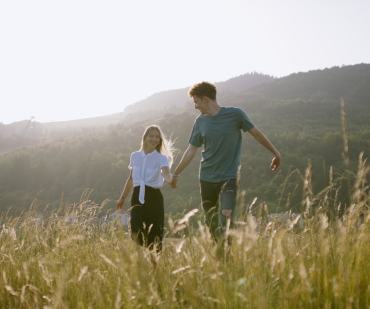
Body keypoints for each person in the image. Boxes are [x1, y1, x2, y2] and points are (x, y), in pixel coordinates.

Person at [170, 81, 281, 242]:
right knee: (211, 222)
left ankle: (228, 254)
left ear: (206, 99)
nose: (195, 107)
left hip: (229, 176)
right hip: (206, 179)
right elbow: (191, 151)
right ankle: (222, 255)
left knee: (226, 216)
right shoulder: (200, 122)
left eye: (196, 102)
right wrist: (176, 173)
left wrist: (276, 153)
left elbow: (256, 133)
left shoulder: (236, 114)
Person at [116, 125, 174, 253]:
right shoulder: (135, 156)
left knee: (155, 235)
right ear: (145, 137)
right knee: (136, 233)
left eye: (157, 137)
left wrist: (170, 180)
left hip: (154, 198)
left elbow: (166, 173)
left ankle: (155, 264)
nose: (154, 139)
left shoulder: (161, 158)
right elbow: (131, 179)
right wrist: (122, 198)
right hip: (137, 197)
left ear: (159, 141)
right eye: (151, 136)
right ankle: (149, 253)